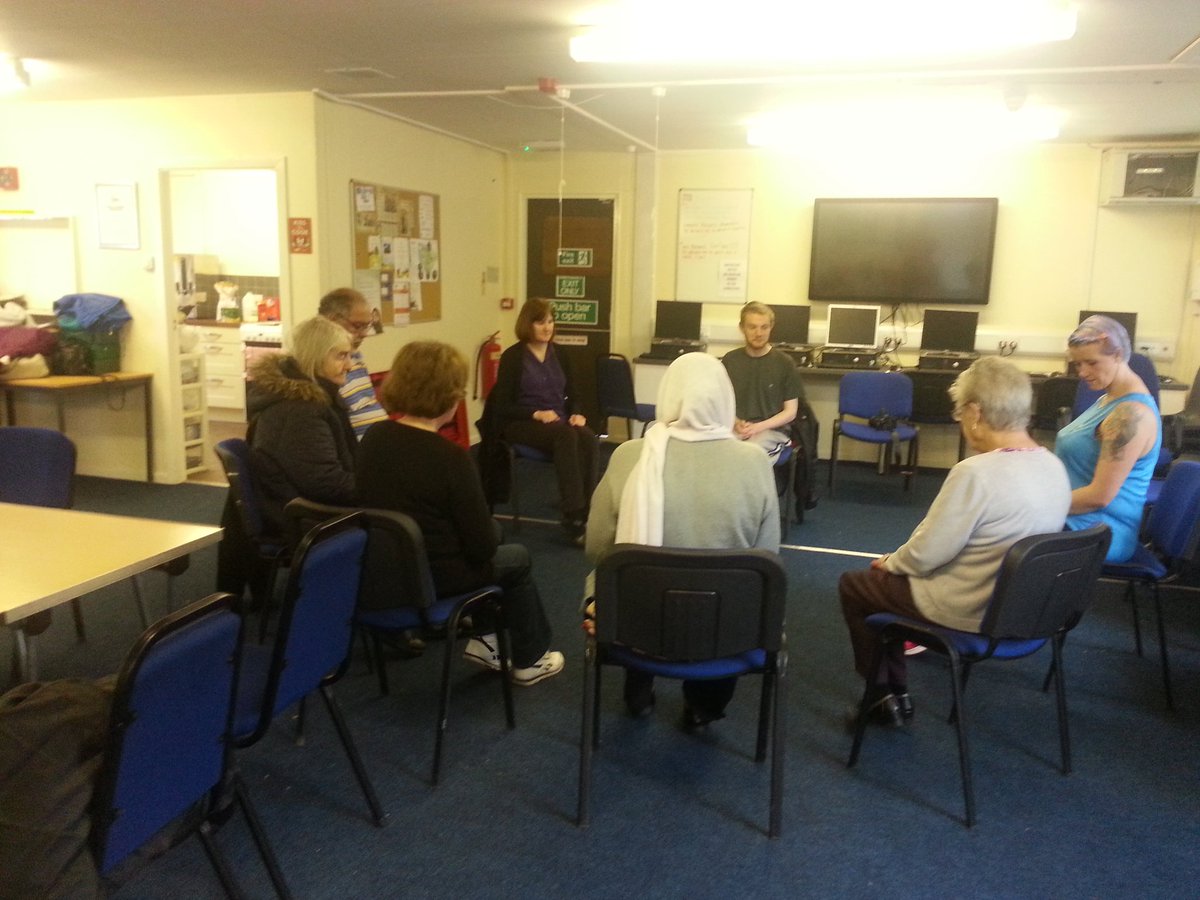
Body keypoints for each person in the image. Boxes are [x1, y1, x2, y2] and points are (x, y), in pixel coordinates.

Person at [838, 357, 1072, 727]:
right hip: (1026, 611)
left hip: (969, 608)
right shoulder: (1053, 465)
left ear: (976, 412)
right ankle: (890, 695)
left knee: (857, 585)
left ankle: (884, 697)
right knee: (882, 584)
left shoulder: (975, 473)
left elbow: (926, 555)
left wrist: (891, 562)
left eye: (959, 411)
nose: (958, 419)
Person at [585, 352, 780, 729]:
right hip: (726, 629)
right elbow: (767, 555)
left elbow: (596, 547)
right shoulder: (755, 462)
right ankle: (704, 708)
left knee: (617, 576)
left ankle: (638, 692)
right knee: (740, 593)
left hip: (629, 623)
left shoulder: (629, 456)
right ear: (726, 398)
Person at [356, 341, 563, 686]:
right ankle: (530, 658)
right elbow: (481, 547)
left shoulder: (373, 438)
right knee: (515, 557)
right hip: (436, 579)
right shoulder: (450, 458)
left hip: (381, 575)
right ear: (450, 394)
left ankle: (487, 641)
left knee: (493, 539)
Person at [216, 316, 357, 600]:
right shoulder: (301, 411)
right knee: (405, 515)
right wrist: (381, 487)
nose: (350, 365)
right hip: (299, 514)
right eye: (341, 356)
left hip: (288, 503)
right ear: (315, 358)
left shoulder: (306, 401)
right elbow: (324, 484)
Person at [1056, 315, 1162, 563]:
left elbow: (1099, 497)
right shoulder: (1107, 399)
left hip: (1099, 530)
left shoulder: (1130, 414)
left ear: (1118, 355)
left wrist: (1038, 504)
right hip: (1074, 518)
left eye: (1091, 362)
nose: (1082, 372)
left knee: (999, 535)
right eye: (1077, 364)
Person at [492, 297, 597, 542]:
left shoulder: (560, 353)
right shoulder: (513, 357)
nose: (547, 327)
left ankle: (587, 509)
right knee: (565, 435)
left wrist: (577, 412)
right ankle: (573, 516)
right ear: (528, 325)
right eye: (540, 322)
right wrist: (536, 414)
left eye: (550, 321)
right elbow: (502, 405)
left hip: (558, 421)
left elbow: (574, 393)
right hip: (522, 423)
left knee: (588, 438)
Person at [721, 301, 803, 456]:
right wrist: (736, 422)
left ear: (771, 327)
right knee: (718, 452)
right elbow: (721, 403)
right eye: (752, 327)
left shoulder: (785, 363)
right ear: (742, 328)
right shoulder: (730, 360)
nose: (758, 333)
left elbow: (790, 412)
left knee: (747, 455)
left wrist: (758, 427)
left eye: (764, 327)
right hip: (736, 429)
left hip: (771, 431)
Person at [318, 287, 389, 440]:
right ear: (333, 320)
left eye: (367, 326)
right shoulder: (319, 366)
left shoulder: (355, 355)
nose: (364, 334)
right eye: (358, 326)